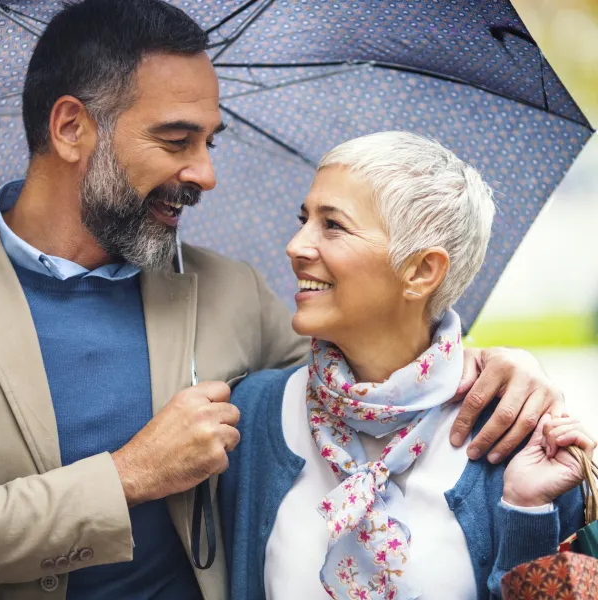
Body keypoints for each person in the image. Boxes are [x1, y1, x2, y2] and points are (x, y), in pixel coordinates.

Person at [0, 2, 571, 599]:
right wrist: (127, 477)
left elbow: (370, 382)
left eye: (210, 140)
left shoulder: (230, 293)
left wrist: (493, 367)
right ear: (70, 127)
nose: (205, 174)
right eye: (178, 140)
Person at [219, 131, 594, 600]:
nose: (296, 245)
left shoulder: (518, 437)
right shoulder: (251, 415)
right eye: (304, 219)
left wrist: (526, 512)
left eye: (332, 225)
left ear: (420, 272)